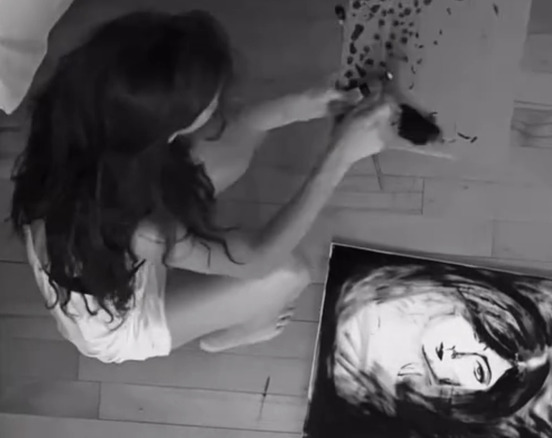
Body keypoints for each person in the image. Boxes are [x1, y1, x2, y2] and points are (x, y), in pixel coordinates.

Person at [8, 9, 416, 364]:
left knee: (227, 150)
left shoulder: (81, 117)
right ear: (162, 131)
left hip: (101, 249)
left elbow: (239, 128)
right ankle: (237, 333)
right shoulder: (141, 229)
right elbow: (257, 258)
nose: (220, 102)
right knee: (289, 274)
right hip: (117, 321)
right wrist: (340, 157)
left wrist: (300, 105)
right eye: (208, 102)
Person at [324, 263, 552, 438]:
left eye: (478, 369)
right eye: (478, 334)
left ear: (472, 397)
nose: (459, 353)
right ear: (472, 307)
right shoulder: (379, 294)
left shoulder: (380, 399)